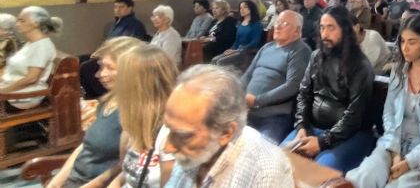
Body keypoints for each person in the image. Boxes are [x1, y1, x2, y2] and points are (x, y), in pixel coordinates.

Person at [346, 14, 420, 188]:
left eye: (412, 42)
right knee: (363, 178)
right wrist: (394, 152)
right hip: (395, 143)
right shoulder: (399, 72)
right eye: (402, 41)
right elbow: (389, 113)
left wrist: (409, 162)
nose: (405, 48)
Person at [163, 65, 294, 188]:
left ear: (226, 133)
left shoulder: (266, 171)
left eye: (183, 136)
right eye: (168, 129)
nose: (167, 148)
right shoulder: (193, 146)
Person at [282, 6, 375, 173]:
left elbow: (354, 116)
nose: (324, 34)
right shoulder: (316, 56)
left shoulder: (361, 66)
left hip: (350, 135)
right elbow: (304, 94)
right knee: (278, 162)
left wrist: (323, 142)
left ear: (345, 30)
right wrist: (301, 126)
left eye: (331, 28)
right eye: (322, 27)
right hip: (312, 128)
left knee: (314, 174)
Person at [47, 37, 144, 188]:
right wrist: (57, 181)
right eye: (101, 67)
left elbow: (128, 164)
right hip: (75, 181)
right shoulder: (108, 100)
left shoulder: (137, 110)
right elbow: (85, 146)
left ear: (131, 69)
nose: (100, 74)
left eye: (109, 68)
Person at [110, 45, 178, 188]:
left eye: (122, 78)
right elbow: (129, 170)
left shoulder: (169, 133)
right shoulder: (136, 124)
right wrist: (115, 183)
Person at [242, 10, 312, 144]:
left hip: (274, 116)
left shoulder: (300, 50)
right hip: (247, 110)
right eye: (277, 22)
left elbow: (292, 86)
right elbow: (247, 75)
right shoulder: (267, 47)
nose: (277, 26)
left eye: (284, 24)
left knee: (264, 151)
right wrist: (238, 96)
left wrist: (257, 101)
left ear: (297, 31)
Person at [0, 6, 60, 109]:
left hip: (24, 96)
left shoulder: (42, 46)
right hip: (12, 89)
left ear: (36, 23)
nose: (17, 24)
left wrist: (3, 91)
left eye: (22, 21)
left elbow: (31, 78)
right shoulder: (31, 43)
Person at [213, 0, 263, 68]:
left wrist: (237, 50)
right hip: (237, 51)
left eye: (245, 7)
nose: (242, 10)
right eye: (240, 8)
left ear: (251, 9)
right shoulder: (240, 23)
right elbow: (237, 41)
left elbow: (255, 42)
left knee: (220, 62)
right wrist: (231, 49)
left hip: (248, 52)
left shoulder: (256, 24)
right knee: (214, 60)